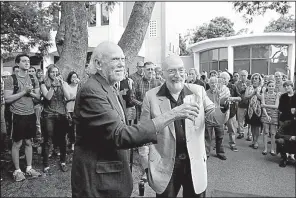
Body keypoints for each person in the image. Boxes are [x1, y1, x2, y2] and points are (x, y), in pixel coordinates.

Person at [71, 41, 199, 198]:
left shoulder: (109, 86)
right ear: (98, 63)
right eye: (114, 59)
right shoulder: (92, 90)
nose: (121, 65)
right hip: (98, 183)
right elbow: (121, 135)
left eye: (123, 60)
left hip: (111, 178)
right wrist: (173, 114)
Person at [141, 55, 230, 197]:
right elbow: (144, 133)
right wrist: (146, 164)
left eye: (181, 70)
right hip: (165, 164)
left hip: (193, 163)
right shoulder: (151, 97)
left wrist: (224, 107)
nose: (177, 75)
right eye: (172, 71)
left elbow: (214, 117)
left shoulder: (198, 91)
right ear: (162, 73)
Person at [4, 54, 41, 182]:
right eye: (24, 61)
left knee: (29, 142)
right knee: (17, 143)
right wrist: (24, 92)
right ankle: (17, 170)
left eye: (28, 61)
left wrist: (30, 92)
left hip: (30, 113)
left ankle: (29, 168)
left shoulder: (33, 78)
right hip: (17, 115)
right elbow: (7, 99)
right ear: (17, 63)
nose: (27, 63)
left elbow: (38, 97)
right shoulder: (10, 79)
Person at [40, 64, 71, 174]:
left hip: (61, 114)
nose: (55, 74)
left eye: (56, 72)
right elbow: (48, 97)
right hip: (49, 114)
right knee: (48, 140)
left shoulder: (63, 83)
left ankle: (63, 161)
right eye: (52, 72)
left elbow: (68, 97)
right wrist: (53, 86)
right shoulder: (44, 84)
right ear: (48, 73)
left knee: (62, 139)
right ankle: (46, 164)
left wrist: (62, 85)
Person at [205, 76, 230, 160]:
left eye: (215, 83)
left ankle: (220, 152)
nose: (213, 84)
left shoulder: (220, 93)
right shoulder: (205, 93)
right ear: (209, 84)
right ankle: (206, 153)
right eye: (212, 82)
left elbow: (224, 103)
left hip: (219, 118)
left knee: (220, 136)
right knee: (207, 137)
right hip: (208, 118)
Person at [220, 72, 241, 152]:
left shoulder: (233, 87)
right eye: (222, 78)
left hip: (231, 111)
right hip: (220, 111)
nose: (223, 80)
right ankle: (219, 144)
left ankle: (232, 144)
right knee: (220, 129)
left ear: (229, 79)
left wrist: (231, 98)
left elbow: (239, 98)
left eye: (225, 78)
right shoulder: (218, 87)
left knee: (231, 129)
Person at [261, 80, 280, 155]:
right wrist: (266, 115)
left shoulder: (277, 95)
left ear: (274, 87)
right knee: (265, 132)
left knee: (273, 133)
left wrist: (265, 106)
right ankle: (265, 149)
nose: (271, 87)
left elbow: (276, 106)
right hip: (265, 114)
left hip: (274, 115)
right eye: (270, 86)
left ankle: (272, 149)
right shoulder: (263, 95)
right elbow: (262, 106)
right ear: (267, 87)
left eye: (272, 86)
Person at [244, 73, 263, 149]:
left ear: (259, 80)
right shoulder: (249, 87)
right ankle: (253, 140)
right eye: (253, 78)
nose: (255, 80)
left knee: (257, 126)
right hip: (250, 109)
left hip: (259, 110)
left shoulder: (262, 88)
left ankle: (256, 141)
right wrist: (252, 94)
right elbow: (245, 97)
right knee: (252, 125)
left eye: (256, 78)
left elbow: (263, 98)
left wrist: (257, 94)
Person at [65, 71, 80, 151]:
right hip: (69, 108)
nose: (74, 79)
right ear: (70, 78)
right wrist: (72, 98)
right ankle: (71, 142)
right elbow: (65, 98)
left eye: (75, 77)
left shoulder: (79, 86)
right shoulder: (67, 86)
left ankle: (76, 143)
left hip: (77, 109)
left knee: (77, 127)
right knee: (70, 127)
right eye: (72, 77)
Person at [235, 70, 252, 140]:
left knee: (250, 120)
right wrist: (242, 90)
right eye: (241, 75)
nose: (243, 77)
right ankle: (241, 133)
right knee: (240, 119)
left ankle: (249, 134)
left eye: (244, 75)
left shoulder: (250, 83)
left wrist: (246, 89)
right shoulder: (237, 84)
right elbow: (237, 93)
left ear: (247, 76)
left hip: (249, 104)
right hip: (241, 104)